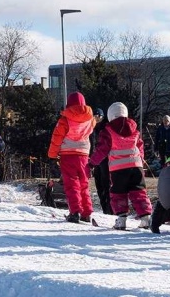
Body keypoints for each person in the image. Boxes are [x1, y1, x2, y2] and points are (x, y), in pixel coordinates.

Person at [88, 102, 153, 230]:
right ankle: (146, 218)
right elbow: (140, 147)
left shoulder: (108, 131)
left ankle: (121, 220)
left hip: (118, 169)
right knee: (139, 192)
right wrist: (141, 160)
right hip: (136, 167)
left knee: (118, 194)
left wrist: (92, 163)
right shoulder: (134, 130)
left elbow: (102, 150)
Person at [48, 92, 96, 223]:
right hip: (84, 155)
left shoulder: (64, 120)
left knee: (72, 184)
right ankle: (87, 213)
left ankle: (75, 211)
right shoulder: (91, 120)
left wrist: (52, 154)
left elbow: (56, 139)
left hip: (68, 156)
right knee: (84, 184)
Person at [90, 108, 113, 215]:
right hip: (96, 159)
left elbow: (104, 147)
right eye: (93, 117)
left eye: (97, 116)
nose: (95, 119)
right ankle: (105, 209)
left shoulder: (105, 128)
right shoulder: (92, 128)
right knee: (99, 185)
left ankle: (110, 209)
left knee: (106, 184)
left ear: (101, 117)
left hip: (105, 159)